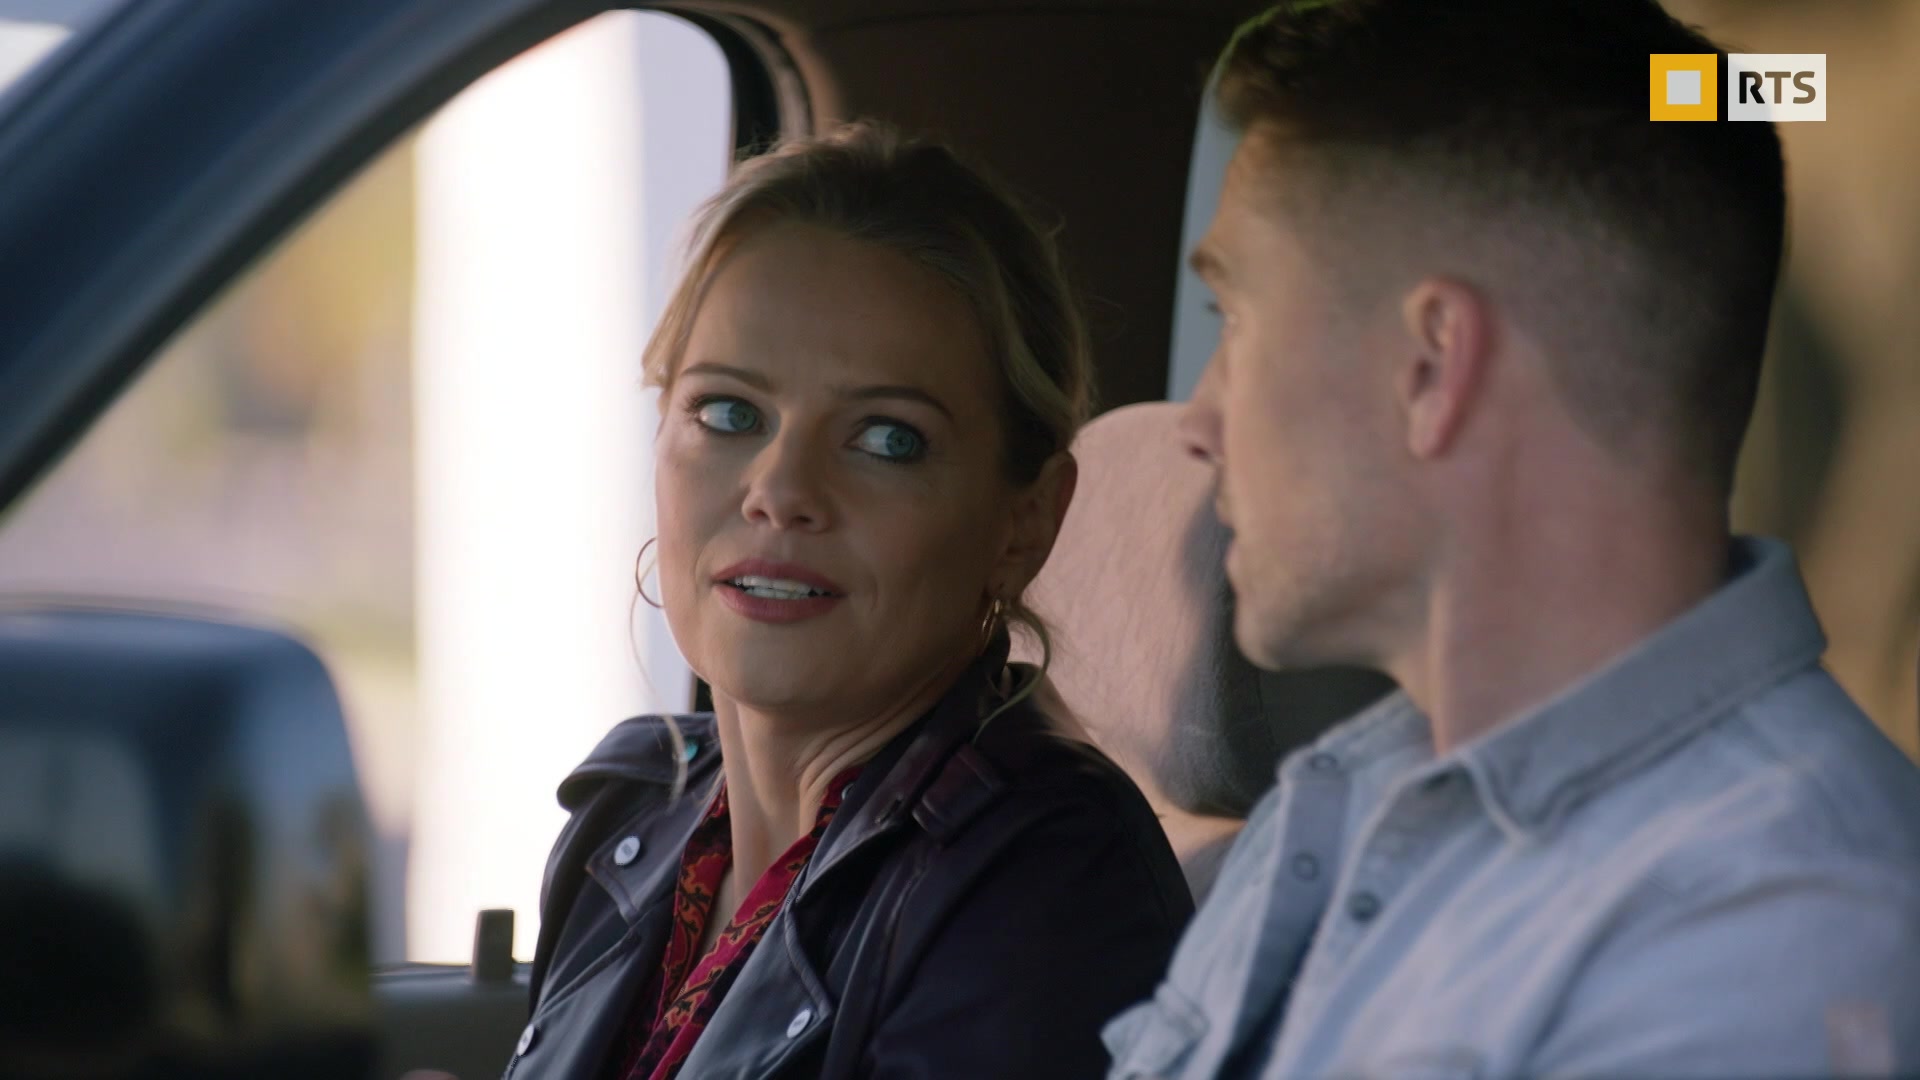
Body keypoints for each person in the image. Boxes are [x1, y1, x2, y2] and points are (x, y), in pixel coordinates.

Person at [1106, 0, 1920, 1076]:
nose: (1196, 424)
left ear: (1433, 367)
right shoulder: (1342, 800)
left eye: (1237, 323)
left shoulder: (1776, 934)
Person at [504, 122, 1191, 1080]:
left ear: (1024, 522)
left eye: (886, 439)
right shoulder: (629, 822)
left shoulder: (1046, 885)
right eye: (729, 412)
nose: (779, 489)